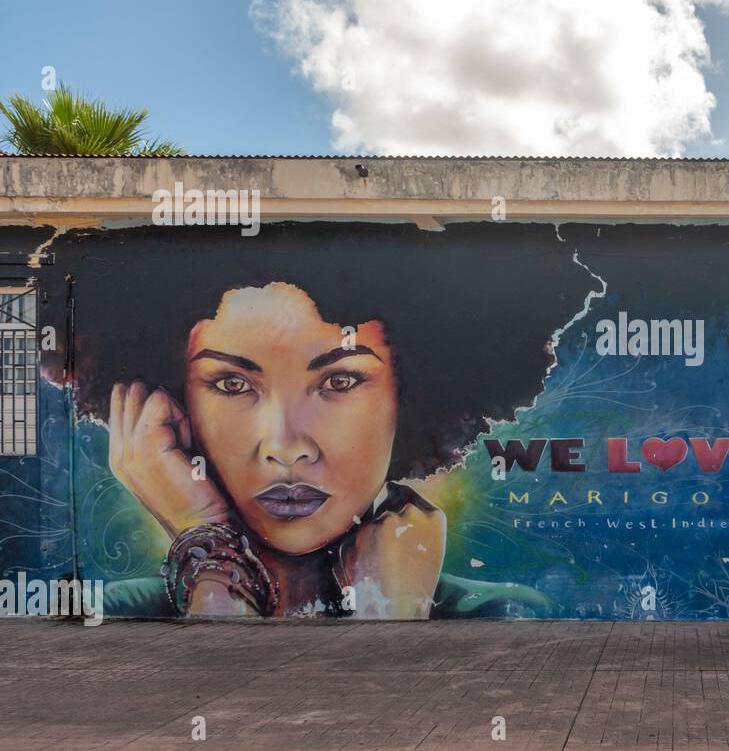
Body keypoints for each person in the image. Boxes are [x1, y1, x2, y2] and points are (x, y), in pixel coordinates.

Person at [55, 222, 592, 618]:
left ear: (409, 400)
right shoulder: (122, 616)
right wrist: (208, 547)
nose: (286, 446)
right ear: (172, 407)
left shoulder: (501, 615)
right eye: (232, 384)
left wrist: (390, 611)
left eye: (338, 382)